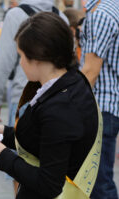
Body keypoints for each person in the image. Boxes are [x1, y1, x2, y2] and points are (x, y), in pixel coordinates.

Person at [0, 12, 101, 199]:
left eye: (21, 56)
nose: (19, 63)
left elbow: (49, 185)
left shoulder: (60, 108)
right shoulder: (73, 82)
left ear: (37, 58)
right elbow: (46, 140)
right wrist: (5, 134)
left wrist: (2, 155)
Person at [0, 0, 69, 125]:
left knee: (18, 143)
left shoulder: (14, 15)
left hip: (24, 95)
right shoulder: (62, 17)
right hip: (56, 96)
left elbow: (4, 61)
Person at [79, 0, 119, 198]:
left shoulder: (101, 13)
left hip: (99, 107)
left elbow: (90, 71)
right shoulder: (112, 7)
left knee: (98, 185)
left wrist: (70, 108)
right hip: (107, 107)